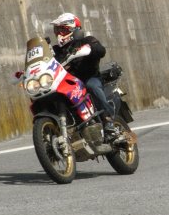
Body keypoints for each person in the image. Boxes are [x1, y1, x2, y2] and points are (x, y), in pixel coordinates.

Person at [50, 12, 123, 142]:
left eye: (63, 30)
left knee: (92, 86)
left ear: (73, 30)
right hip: (69, 84)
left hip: (89, 78)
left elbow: (100, 50)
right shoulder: (56, 51)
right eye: (57, 30)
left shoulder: (86, 41)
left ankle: (108, 121)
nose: (59, 34)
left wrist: (90, 49)